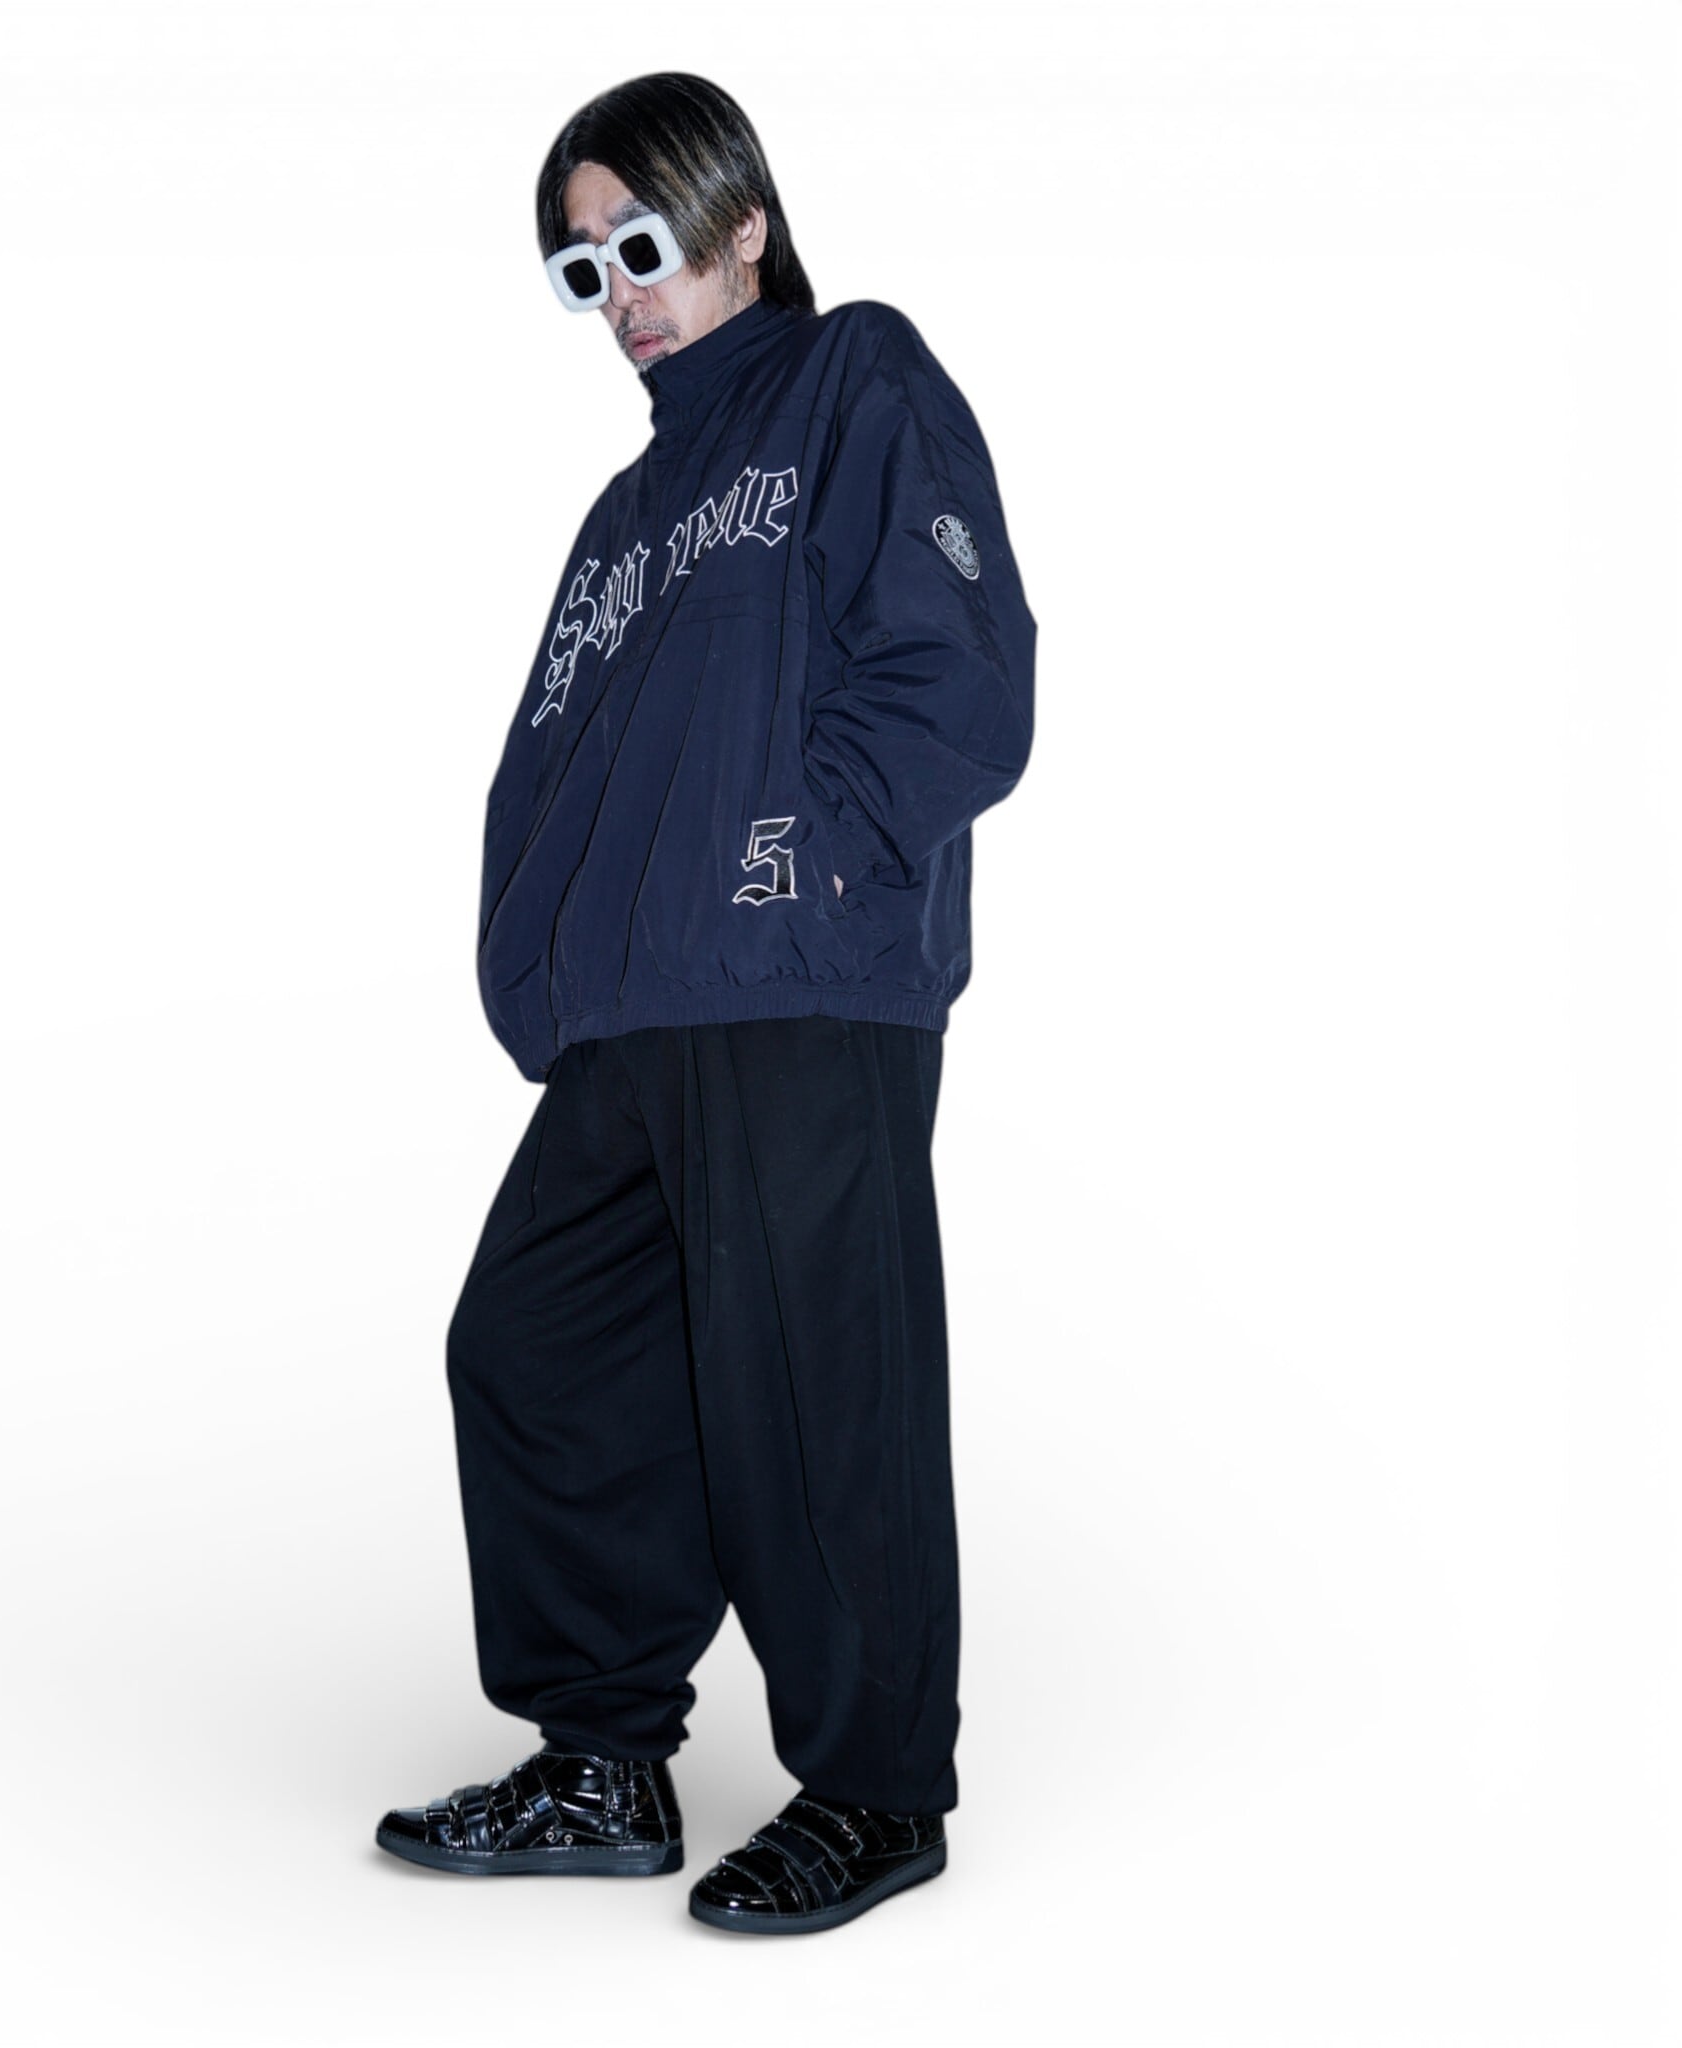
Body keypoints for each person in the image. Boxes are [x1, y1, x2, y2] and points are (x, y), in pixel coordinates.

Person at [374, 71, 1037, 1937]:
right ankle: (604, 1759)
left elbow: (960, 667)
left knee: (815, 1387)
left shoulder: (852, 381)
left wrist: (806, 863)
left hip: (797, 981)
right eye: (582, 269)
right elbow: (559, 762)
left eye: (644, 243)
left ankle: (877, 1791)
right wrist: (538, 963)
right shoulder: (628, 511)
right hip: (634, 1013)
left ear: (745, 222)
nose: (622, 294)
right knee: (534, 1352)